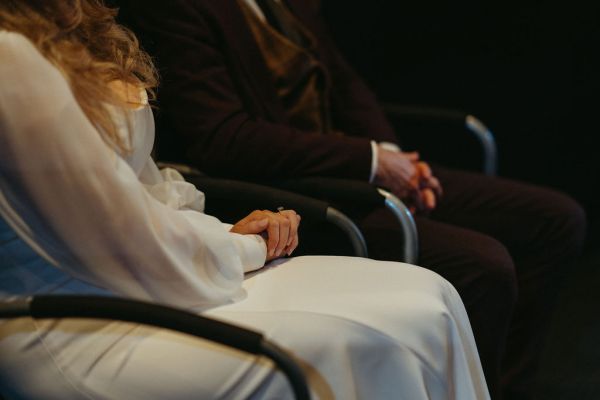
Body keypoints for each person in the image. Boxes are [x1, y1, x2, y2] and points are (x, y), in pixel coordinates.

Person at [0, 1, 490, 399]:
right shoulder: (10, 57)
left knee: (427, 298)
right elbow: (116, 239)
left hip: (153, 272)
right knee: (358, 349)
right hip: (76, 320)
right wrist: (244, 249)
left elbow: (144, 184)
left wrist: (220, 229)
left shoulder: (78, 32)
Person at [117, 1, 588, 398]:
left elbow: (343, 82)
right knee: (483, 264)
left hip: (350, 163)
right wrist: (370, 161)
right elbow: (227, 140)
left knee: (553, 219)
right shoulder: (176, 8)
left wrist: (396, 160)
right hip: (294, 186)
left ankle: (506, 384)